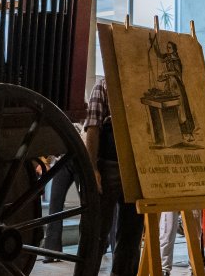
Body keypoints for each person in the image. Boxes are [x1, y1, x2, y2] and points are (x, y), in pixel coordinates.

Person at [84, 78, 143, 276]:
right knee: (98, 231)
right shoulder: (104, 85)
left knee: (131, 234)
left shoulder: (139, 82)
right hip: (110, 163)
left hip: (137, 166)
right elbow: (93, 127)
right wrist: (92, 168)